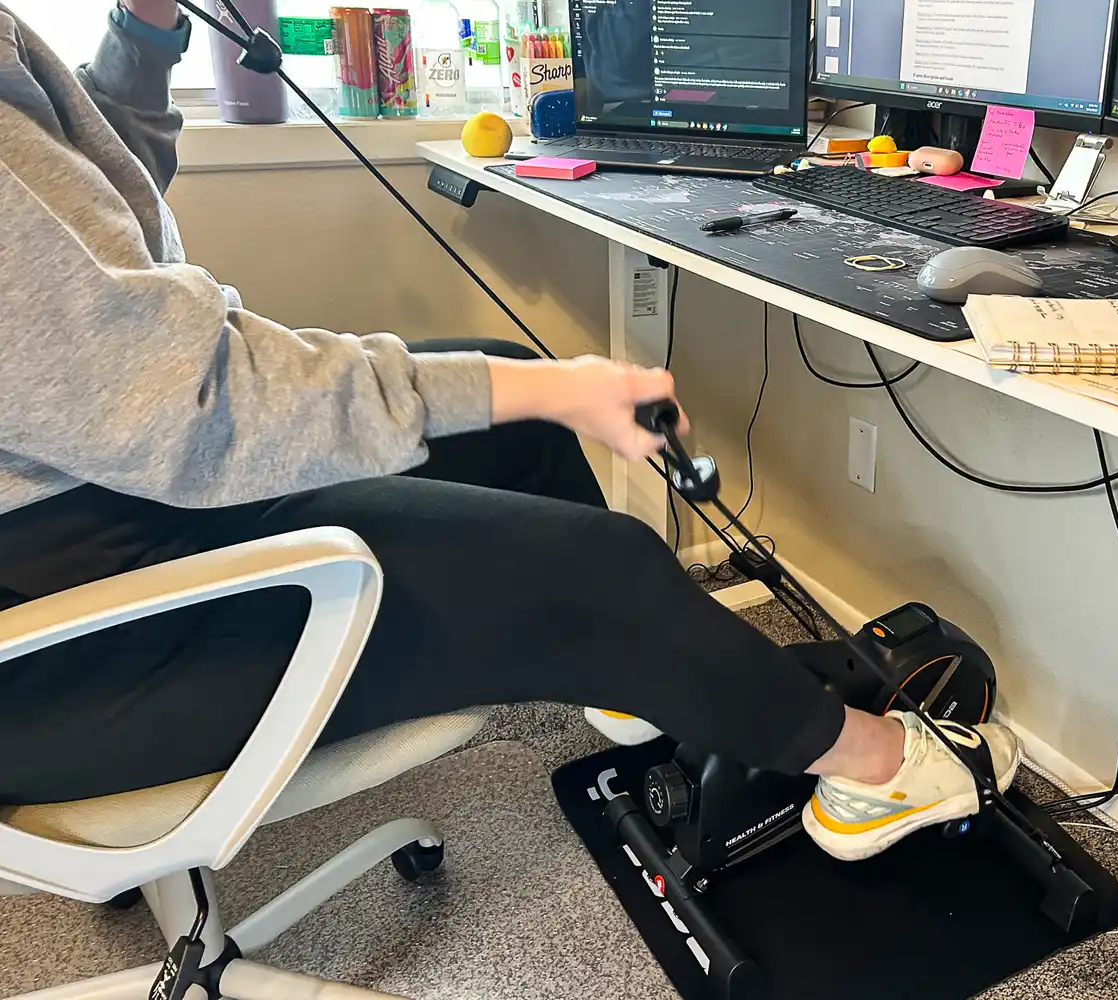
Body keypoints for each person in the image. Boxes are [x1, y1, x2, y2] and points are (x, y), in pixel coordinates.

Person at [0, 1, 1021, 863]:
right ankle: (887, 770)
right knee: (601, 564)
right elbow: (192, 406)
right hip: (61, 618)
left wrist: (144, 26)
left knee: (522, 405)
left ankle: (639, 670)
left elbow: (98, 216)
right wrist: (554, 390)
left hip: (104, 488)